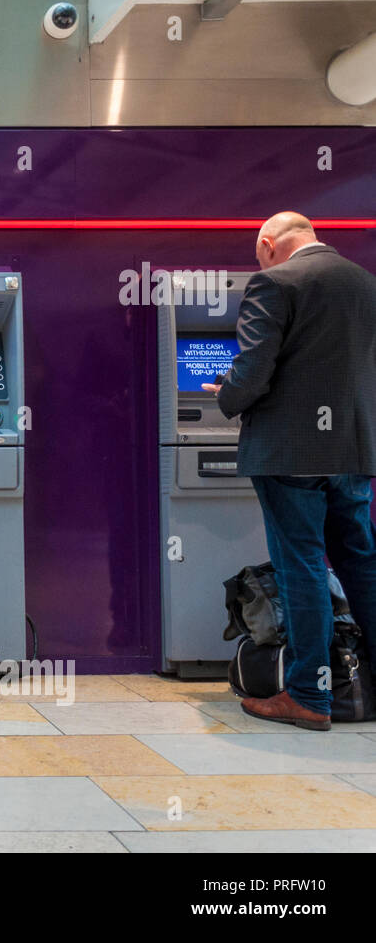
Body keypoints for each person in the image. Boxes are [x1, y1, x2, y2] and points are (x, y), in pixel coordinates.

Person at [205, 212, 376, 731]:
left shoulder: (274, 283)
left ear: (268, 242)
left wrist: (227, 394)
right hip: (352, 449)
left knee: (300, 565)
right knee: (361, 564)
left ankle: (308, 696)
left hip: (291, 453)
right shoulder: (365, 283)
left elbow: (256, 367)